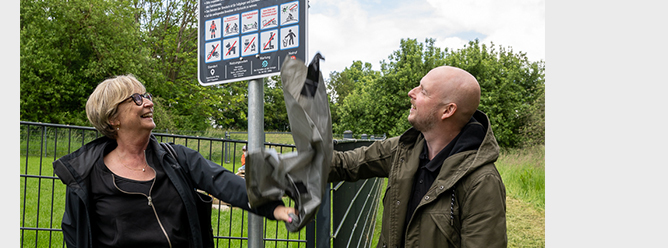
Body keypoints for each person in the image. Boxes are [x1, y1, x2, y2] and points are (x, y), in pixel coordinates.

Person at [53, 74, 296, 248]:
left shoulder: (177, 158)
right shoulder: (85, 176)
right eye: (136, 99)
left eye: (146, 96)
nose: (149, 102)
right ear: (113, 118)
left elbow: (223, 181)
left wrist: (275, 208)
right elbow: (74, 237)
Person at [329, 66, 507, 248]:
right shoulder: (404, 148)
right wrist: (308, 158)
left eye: (423, 91)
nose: (411, 93)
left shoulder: (482, 182)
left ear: (447, 111)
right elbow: (345, 164)